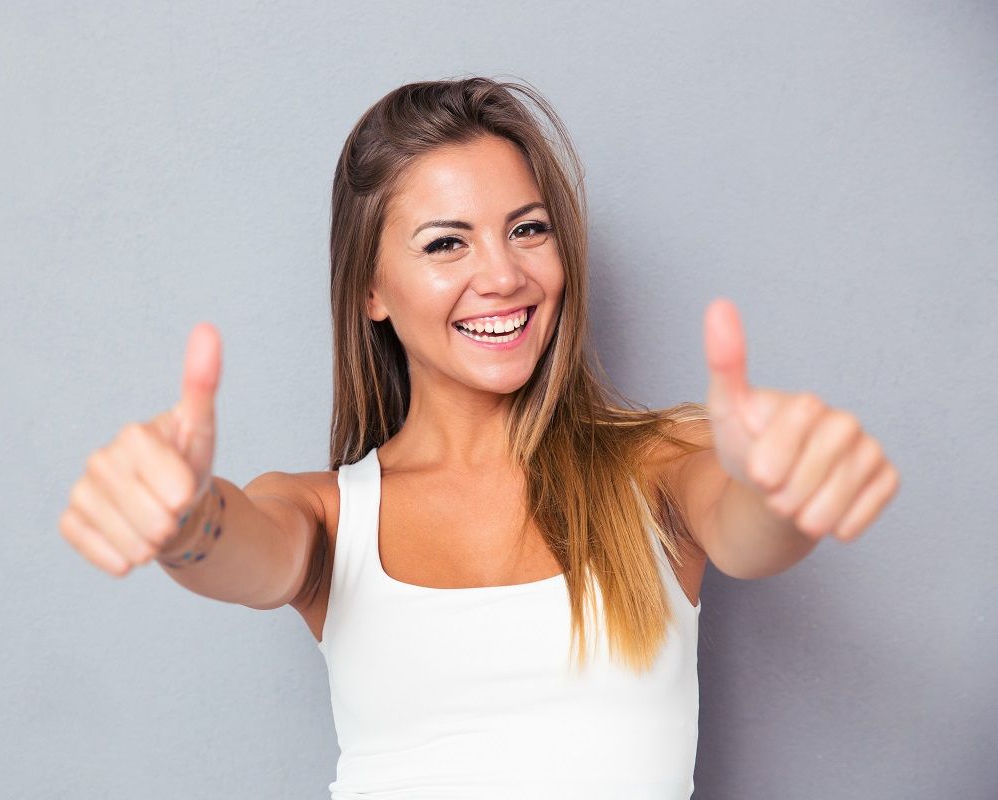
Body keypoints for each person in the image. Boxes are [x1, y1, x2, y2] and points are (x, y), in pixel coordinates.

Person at [58, 77, 900, 799]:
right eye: (446, 243)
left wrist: (790, 490)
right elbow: (245, 550)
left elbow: (748, 528)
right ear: (371, 291)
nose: (502, 276)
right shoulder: (327, 513)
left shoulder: (658, 466)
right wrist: (181, 522)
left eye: (527, 229)